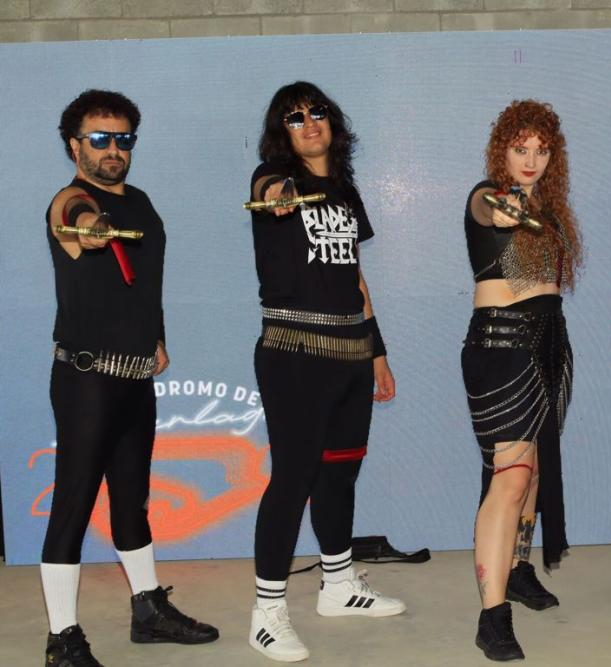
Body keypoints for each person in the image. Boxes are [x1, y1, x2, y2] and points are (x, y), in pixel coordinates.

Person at [41, 89, 218, 666]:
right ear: (74, 145)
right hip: (87, 382)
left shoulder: (141, 203)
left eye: (123, 138)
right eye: (99, 138)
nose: (113, 149)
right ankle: (62, 640)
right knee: (72, 506)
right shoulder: (69, 200)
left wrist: (156, 336)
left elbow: (144, 283)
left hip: (136, 378)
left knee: (132, 503)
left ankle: (147, 610)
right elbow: (75, 219)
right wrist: (90, 228)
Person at [247, 81, 403, 663]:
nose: (309, 122)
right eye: (294, 117)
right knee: (293, 479)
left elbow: (354, 276)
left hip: (351, 354)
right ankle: (266, 615)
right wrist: (280, 195)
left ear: (332, 121)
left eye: (316, 112)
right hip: (294, 354)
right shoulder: (272, 177)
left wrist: (378, 351)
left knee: (340, 474)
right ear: (281, 133)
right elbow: (269, 193)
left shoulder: (344, 190)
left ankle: (338, 585)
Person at [462, 100, 583, 661]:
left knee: (530, 473)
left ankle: (516, 568)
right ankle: (492, 618)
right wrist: (504, 208)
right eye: (520, 148)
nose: (531, 159)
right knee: (510, 478)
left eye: (541, 150)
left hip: (550, 345)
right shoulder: (488, 195)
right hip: (502, 345)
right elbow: (489, 209)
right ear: (502, 150)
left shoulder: (549, 211)